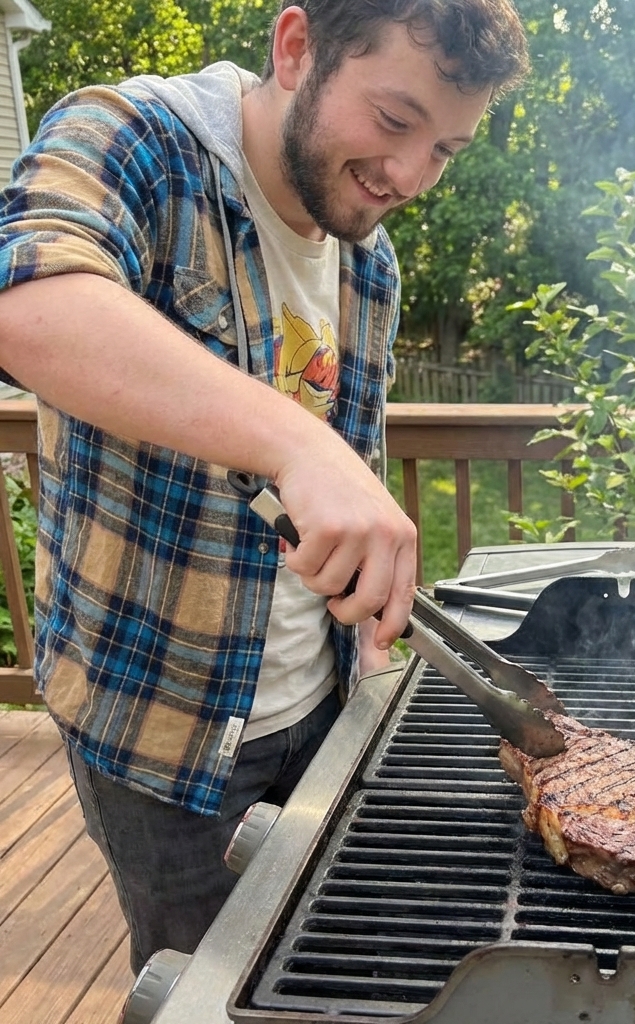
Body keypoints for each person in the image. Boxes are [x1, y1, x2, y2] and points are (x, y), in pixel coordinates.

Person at [0, 0, 529, 973]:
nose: (408, 176)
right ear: (297, 48)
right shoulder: (135, 137)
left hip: (327, 704)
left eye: (444, 149)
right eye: (395, 119)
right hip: (163, 729)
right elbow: (28, 304)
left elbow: (344, 465)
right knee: (206, 985)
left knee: (320, 974)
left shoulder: (369, 261)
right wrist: (298, 442)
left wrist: (365, 566)